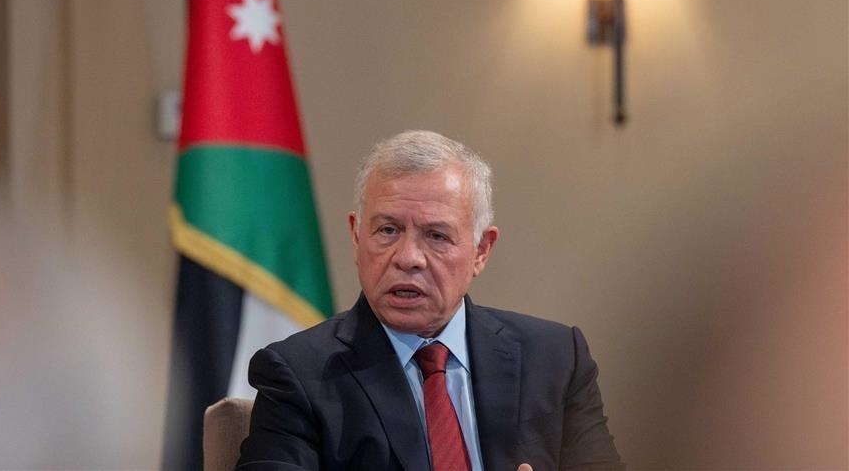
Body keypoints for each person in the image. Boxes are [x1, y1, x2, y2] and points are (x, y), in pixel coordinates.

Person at [237, 130, 624, 470]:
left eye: (437, 236)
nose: (408, 258)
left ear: (481, 250)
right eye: (387, 230)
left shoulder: (556, 359)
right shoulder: (297, 375)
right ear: (356, 236)